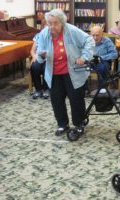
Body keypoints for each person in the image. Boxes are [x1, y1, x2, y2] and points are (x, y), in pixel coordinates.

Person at [36, 9, 95, 138]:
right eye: (49, 23)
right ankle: (62, 124)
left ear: (62, 22)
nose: (52, 26)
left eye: (55, 23)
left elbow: (89, 40)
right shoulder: (44, 33)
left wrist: (84, 57)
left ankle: (79, 124)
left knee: (76, 99)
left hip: (72, 71)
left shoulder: (72, 30)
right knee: (56, 100)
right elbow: (39, 52)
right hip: (54, 73)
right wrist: (41, 55)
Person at [30, 19, 49, 99]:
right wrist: (34, 56)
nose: (47, 27)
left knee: (46, 68)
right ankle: (38, 89)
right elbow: (32, 50)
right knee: (34, 67)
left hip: (49, 58)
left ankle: (46, 89)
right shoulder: (38, 35)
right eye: (46, 25)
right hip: (38, 56)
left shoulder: (53, 35)